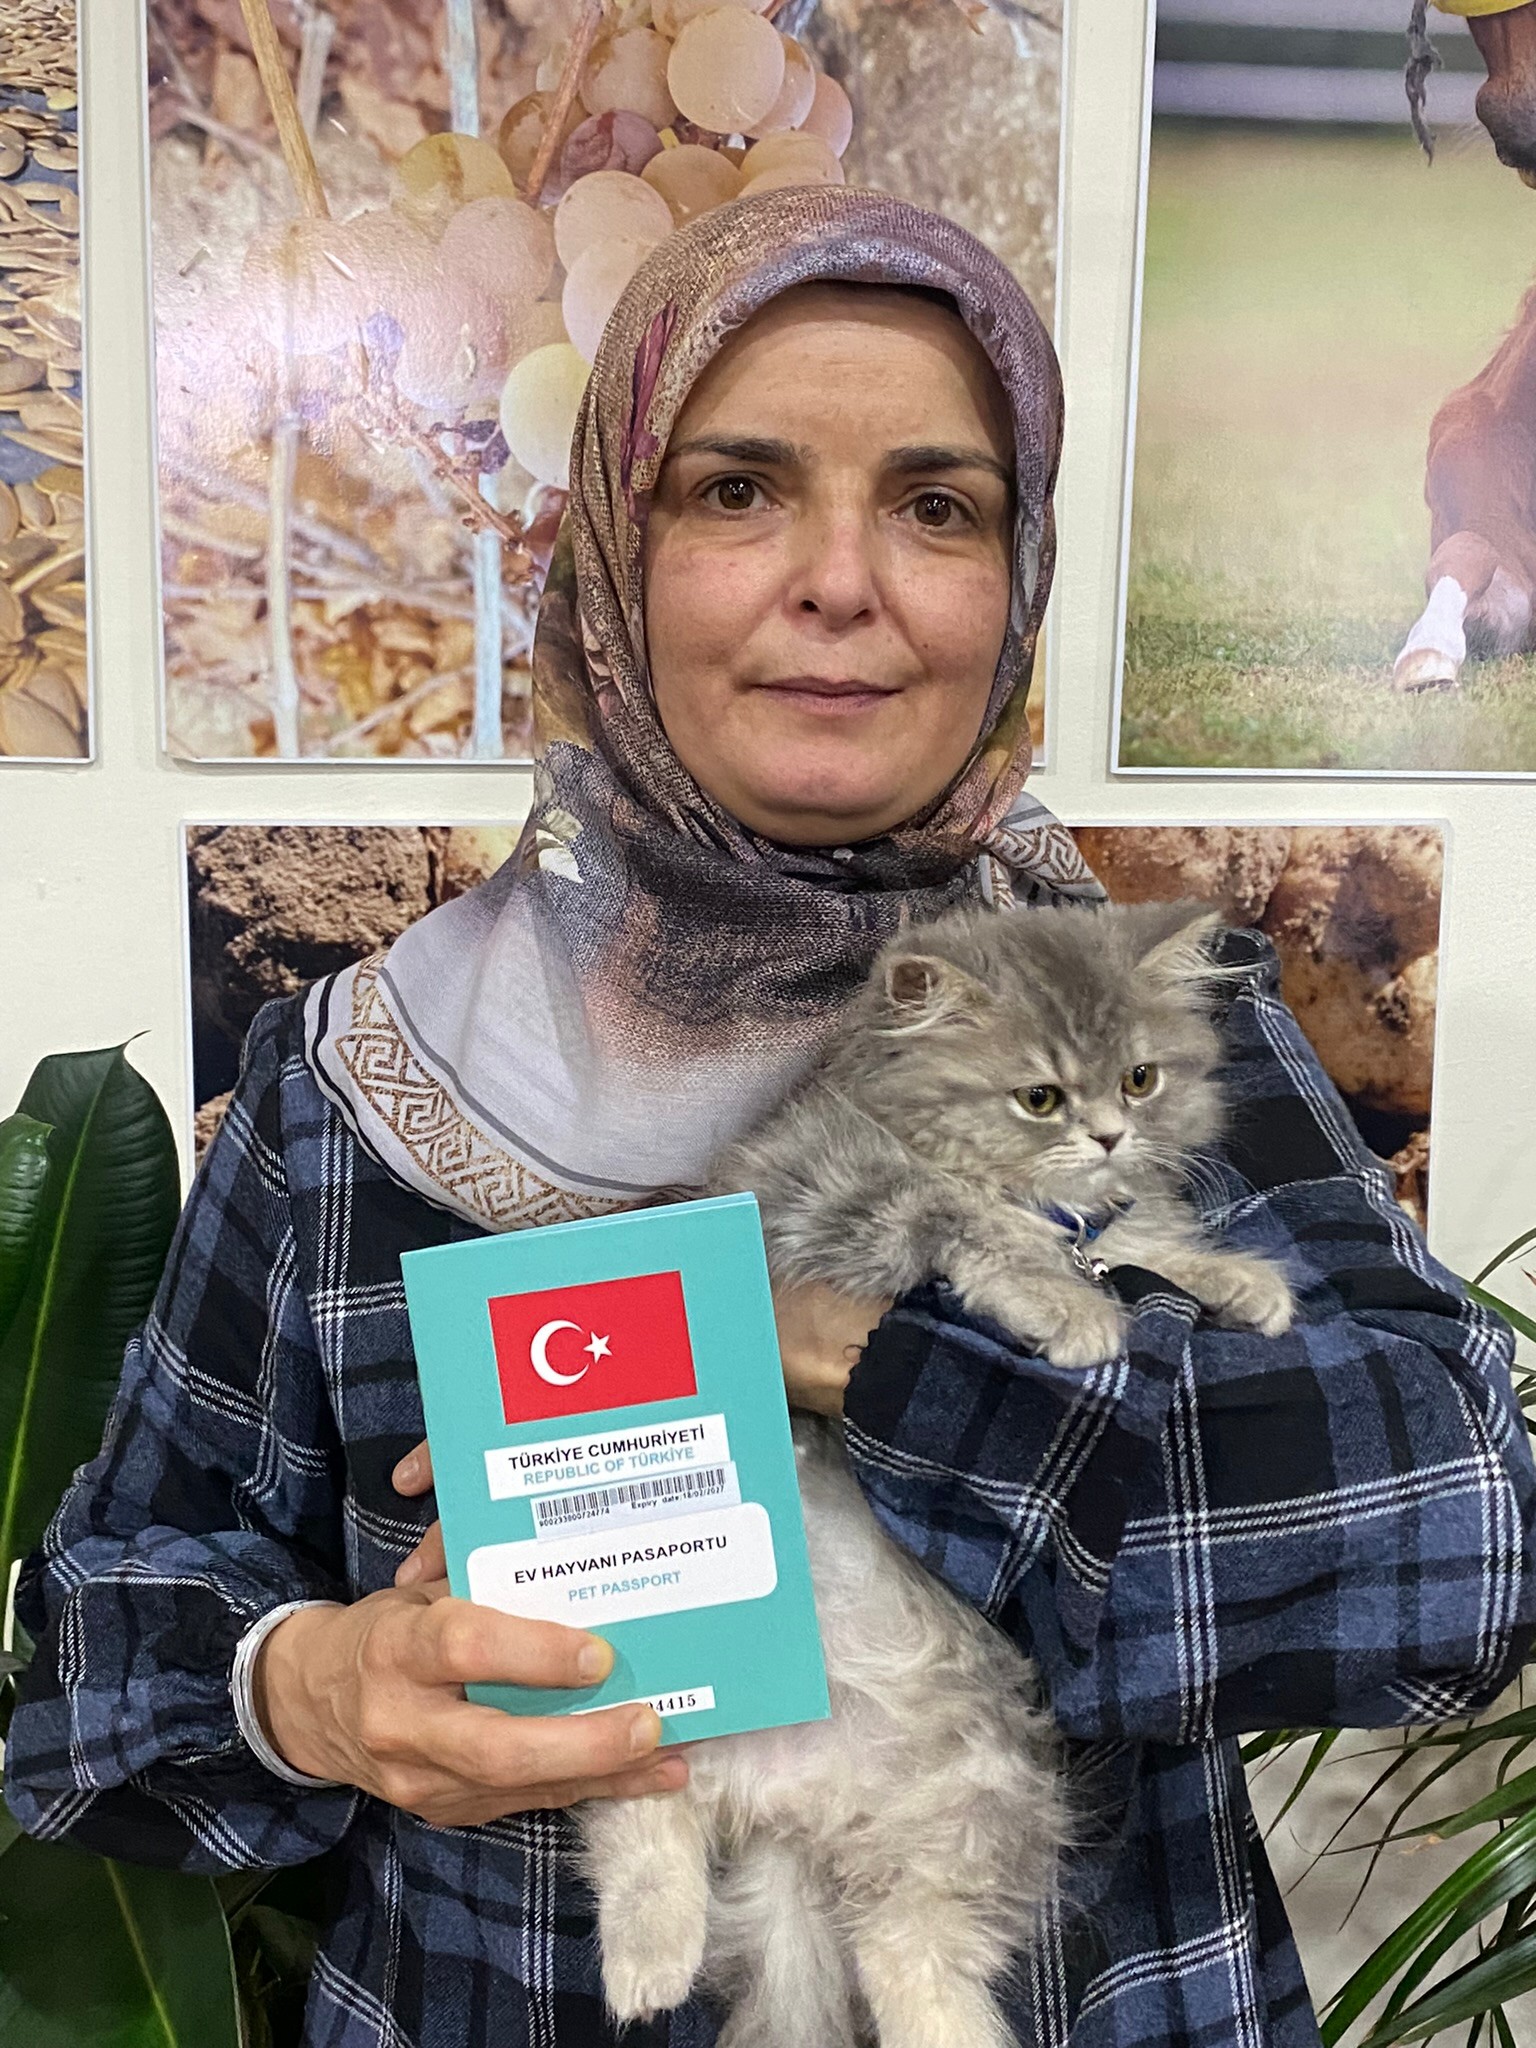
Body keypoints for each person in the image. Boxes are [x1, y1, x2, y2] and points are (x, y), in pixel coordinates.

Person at [5, 182, 1535, 2048]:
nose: (841, 580)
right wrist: (310, 1686)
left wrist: (840, 1350)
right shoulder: (355, 1088)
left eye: (938, 506)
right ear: (612, 551)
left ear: (1018, 580)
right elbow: (103, 1641)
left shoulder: (1143, 1023)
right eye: (736, 490)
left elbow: (1460, 1547)